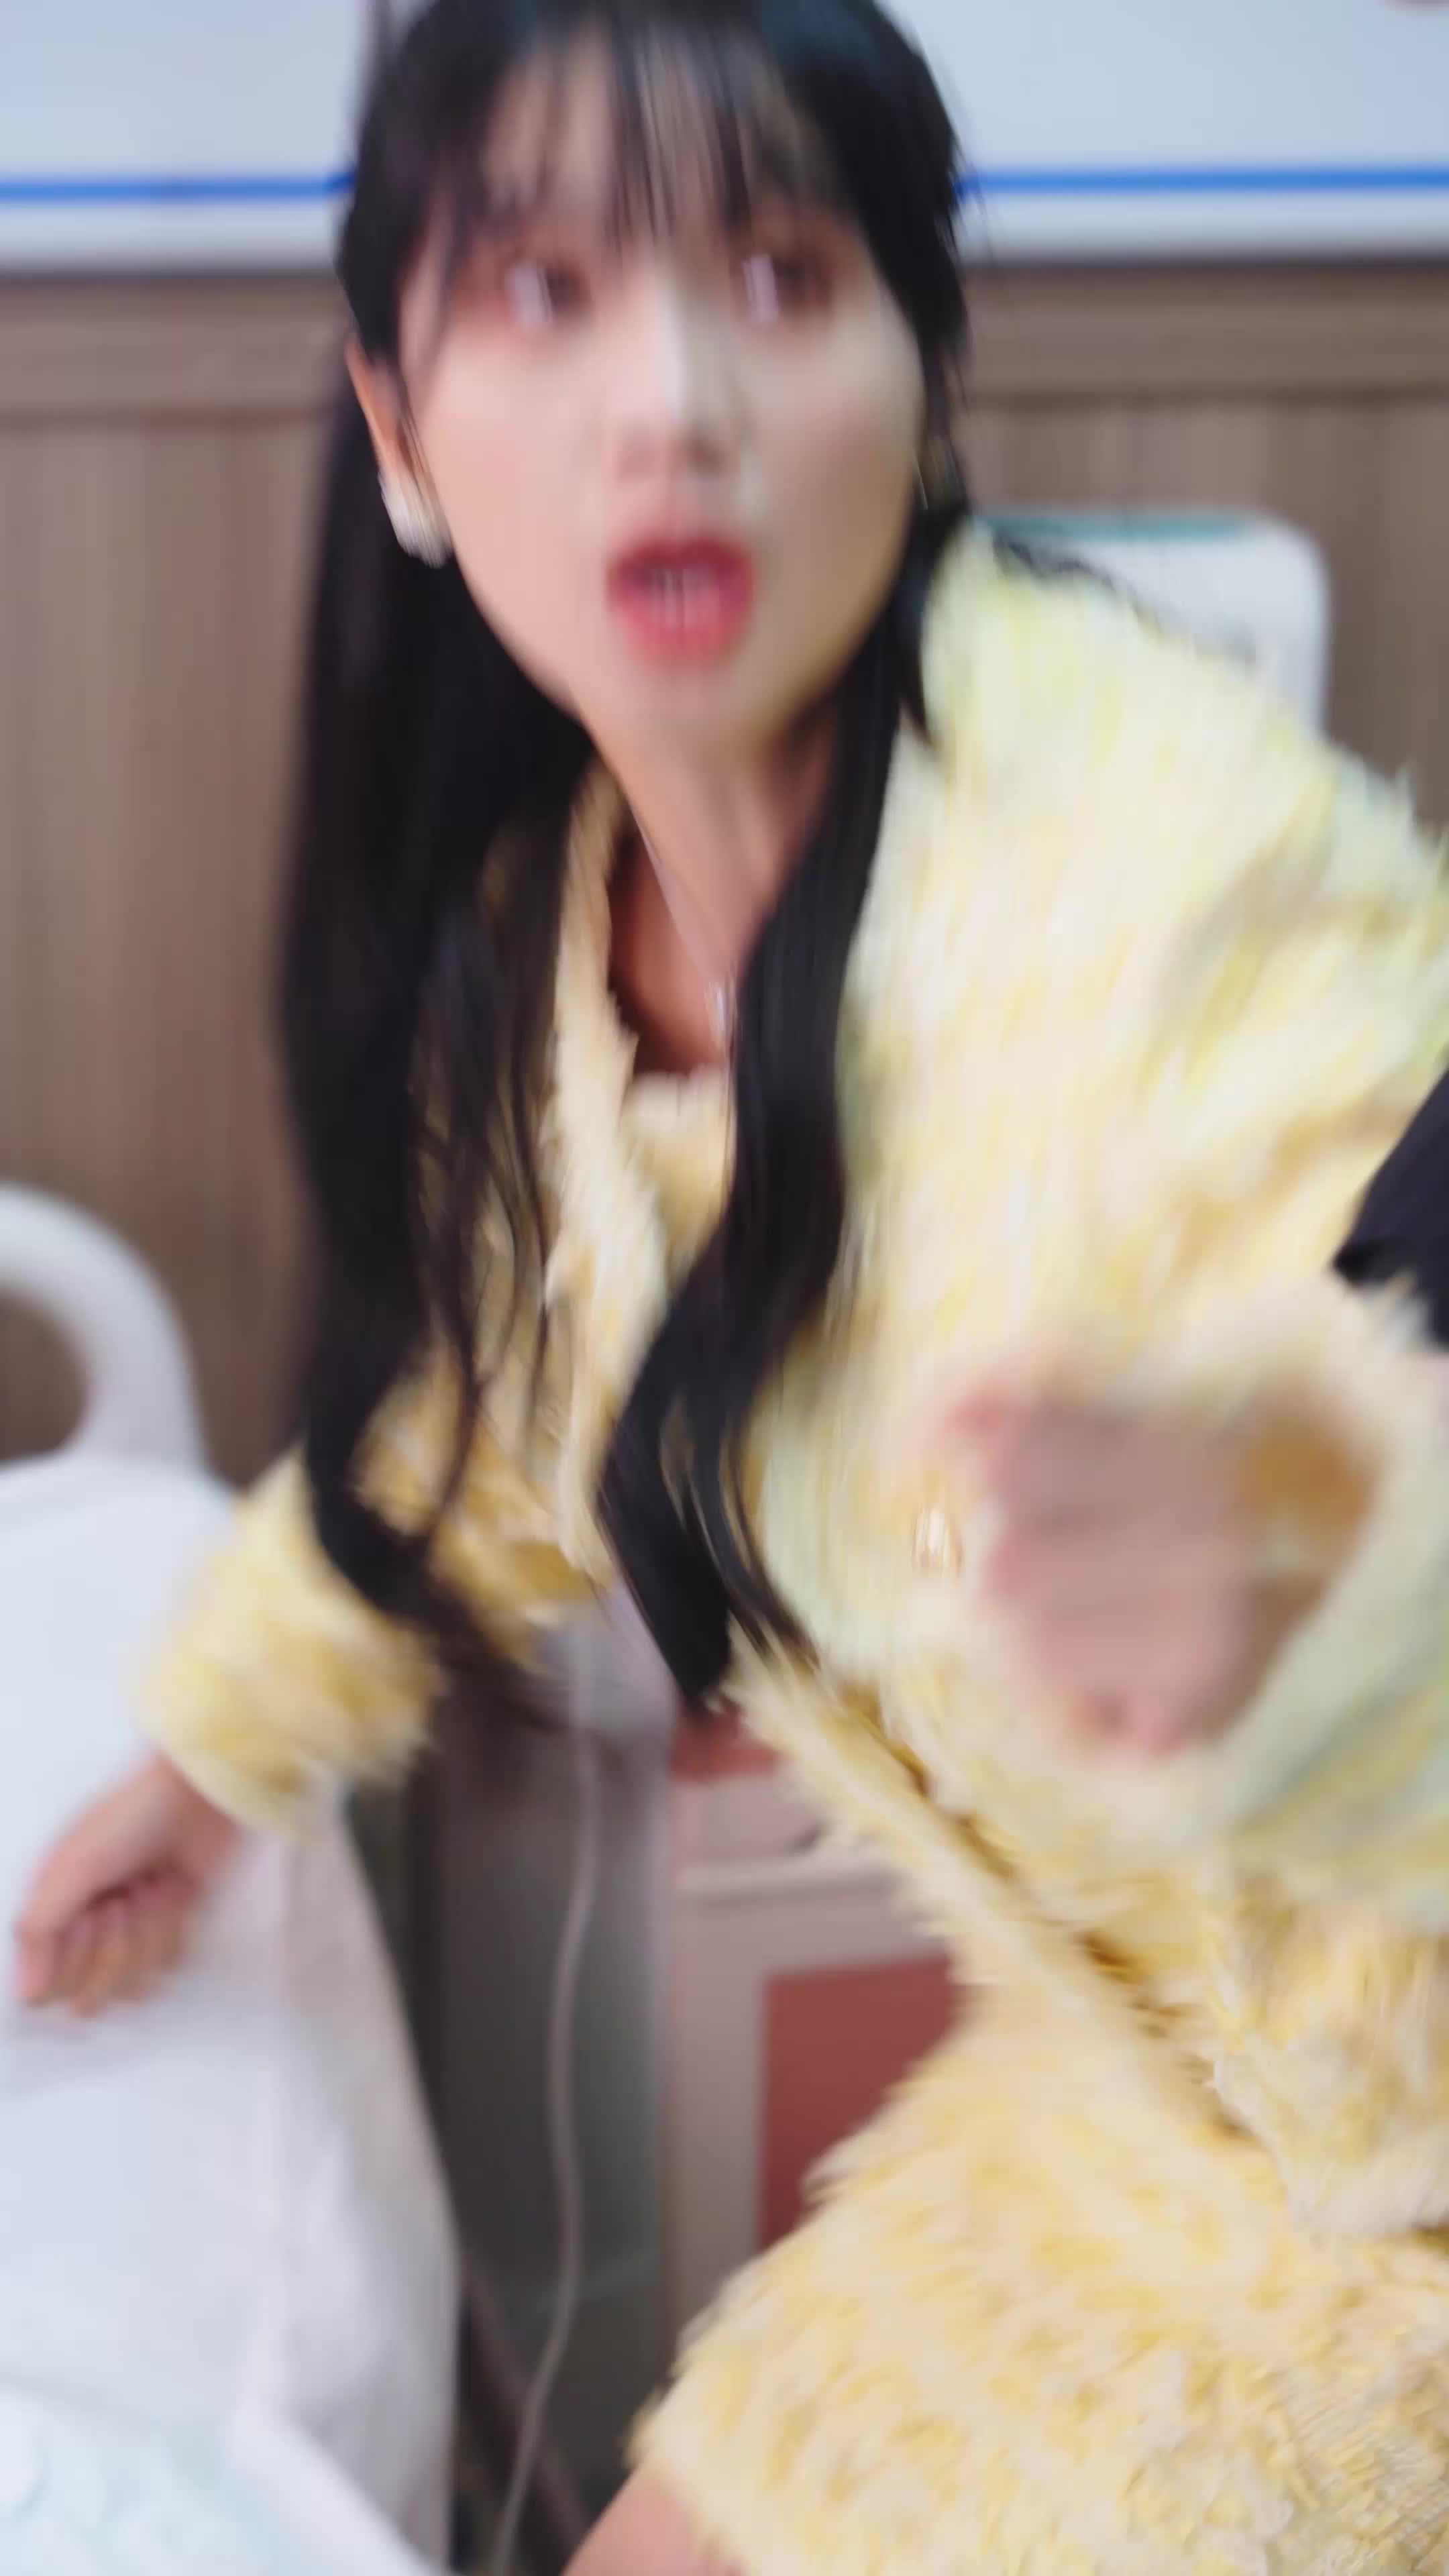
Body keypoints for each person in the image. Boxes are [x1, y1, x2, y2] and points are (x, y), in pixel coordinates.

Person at [14, 0, 1449, 2563]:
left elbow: (1379, 1298)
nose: (673, 405)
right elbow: (491, 1427)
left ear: (922, 372)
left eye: (782, 277)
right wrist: (209, 1772)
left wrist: (1317, 1564)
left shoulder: (1174, 878)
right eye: (546, 292)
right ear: (397, 426)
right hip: (1132, 2120)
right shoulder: (559, 938)